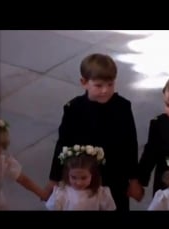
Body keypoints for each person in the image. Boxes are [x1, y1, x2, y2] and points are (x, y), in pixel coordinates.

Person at [44, 53, 143, 211]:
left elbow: (130, 144)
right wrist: (54, 178)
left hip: (115, 176)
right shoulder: (74, 109)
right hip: (82, 178)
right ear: (84, 82)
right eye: (98, 85)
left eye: (110, 85)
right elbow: (63, 144)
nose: (105, 90)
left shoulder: (122, 107)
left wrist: (134, 179)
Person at [45, 145, 116, 210]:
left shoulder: (101, 194)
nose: (78, 183)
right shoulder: (61, 193)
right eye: (73, 177)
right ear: (67, 175)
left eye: (84, 178)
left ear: (93, 175)